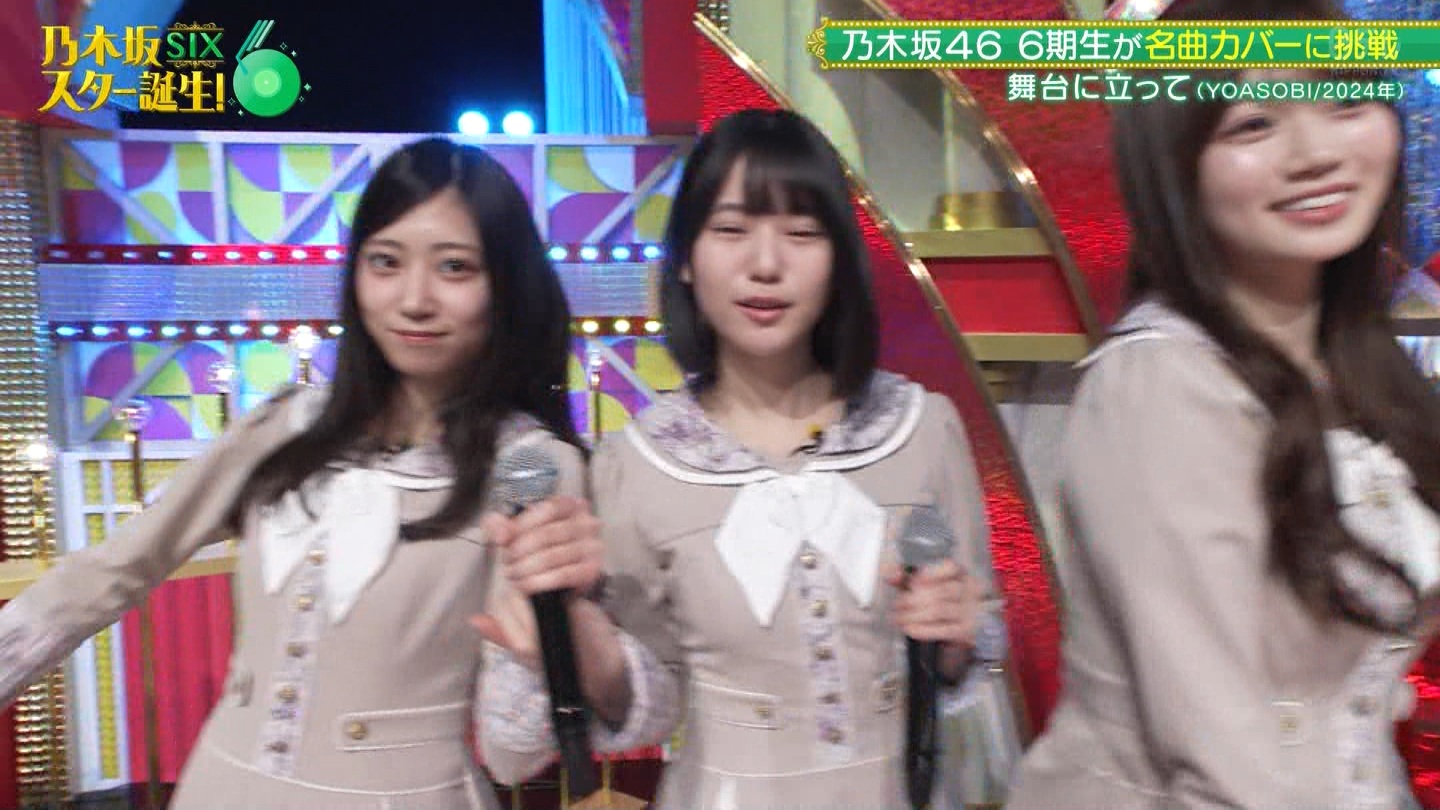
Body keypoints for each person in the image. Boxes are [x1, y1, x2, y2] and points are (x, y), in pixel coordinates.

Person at [0, 137, 587, 809]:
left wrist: (537, 655)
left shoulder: (532, 465)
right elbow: (115, 568)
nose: (413, 299)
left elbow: (515, 754)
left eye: (454, 267)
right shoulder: (284, 427)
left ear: (507, 283)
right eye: (385, 261)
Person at [473, 108, 1009, 809]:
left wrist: (955, 641)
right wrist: (581, 644)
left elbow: (974, 635)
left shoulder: (923, 428)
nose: (765, 264)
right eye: (731, 230)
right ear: (686, 259)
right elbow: (647, 702)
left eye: (801, 233)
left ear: (840, 261)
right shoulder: (637, 465)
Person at [1004, 0, 1440, 807]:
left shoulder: (1360, 369)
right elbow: (1227, 758)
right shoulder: (1159, 385)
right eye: (1254, 124)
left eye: (1344, 102)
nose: (1315, 153)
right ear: (1174, 165)